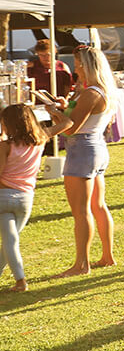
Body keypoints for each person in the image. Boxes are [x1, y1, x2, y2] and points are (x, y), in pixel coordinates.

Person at [53, 46, 118, 277]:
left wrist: (55, 113)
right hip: (96, 148)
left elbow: (70, 128)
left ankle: (81, 264)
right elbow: (74, 119)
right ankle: (107, 256)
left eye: (79, 63)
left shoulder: (91, 92)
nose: (76, 67)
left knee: (81, 212)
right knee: (98, 206)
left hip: (81, 150)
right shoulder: (99, 90)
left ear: (89, 65)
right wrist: (62, 109)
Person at [0, 104, 71, 290]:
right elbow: (68, 122)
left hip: (3, 196)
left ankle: (21, 280)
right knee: (10, 240)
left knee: (9, 241)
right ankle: (19, 279)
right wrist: (54, 111)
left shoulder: (5, 146)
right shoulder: (41, 139)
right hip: (25, 198)